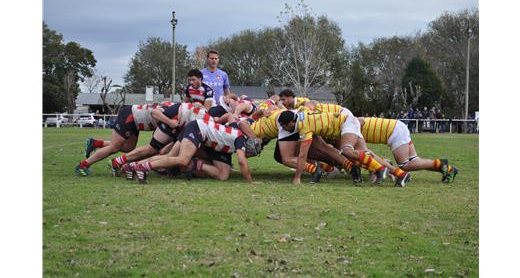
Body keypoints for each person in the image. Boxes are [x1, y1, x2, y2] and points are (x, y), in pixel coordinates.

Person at [277, 110, 410, 186]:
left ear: (291, 123)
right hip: (347, 123)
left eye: (284, 126)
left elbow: (302, 155)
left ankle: (380, 169)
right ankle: (400, 174)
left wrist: (297, 178)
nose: (283, 129)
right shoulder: (303, 115)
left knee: (347, 151)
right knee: (362, 154)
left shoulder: (303, 126)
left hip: (348, 123)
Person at [127, 117, 262, 184]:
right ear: (249, 150)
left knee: (223, 175)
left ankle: (135, 166)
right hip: (197, 129)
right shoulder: (240, 140)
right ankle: (142, 166)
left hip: (201, 133)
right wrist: (250, 181)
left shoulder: (238, 136)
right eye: (250, 155)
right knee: (182, 159)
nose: (248, 156)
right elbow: (242, 162)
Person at [109, 102, 208, 179]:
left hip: (183, 127)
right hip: (177, 123)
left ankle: (132, 165)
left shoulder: (200, 113)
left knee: (164, 152)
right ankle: (121, 161)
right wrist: (170, 122)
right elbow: (154, 112)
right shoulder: (174, 109)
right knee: (152, 149)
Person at [75, 102, 174, 176]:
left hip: (136, 121)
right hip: (130, 116)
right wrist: (170, 123)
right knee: (114, 147)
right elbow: (154, 112)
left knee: (128, 148)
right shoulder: (175, 112)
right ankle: (82, 166)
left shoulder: (177, 108)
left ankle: (96, 143)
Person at [358, 117, 458, 183]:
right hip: (397, 126)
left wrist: (378, 166)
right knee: (414, 161)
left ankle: (441, 164)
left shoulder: (349, 129)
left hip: (394, 132)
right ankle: (449, 169)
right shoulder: (349, 123)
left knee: (404, 165)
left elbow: (366, 152)